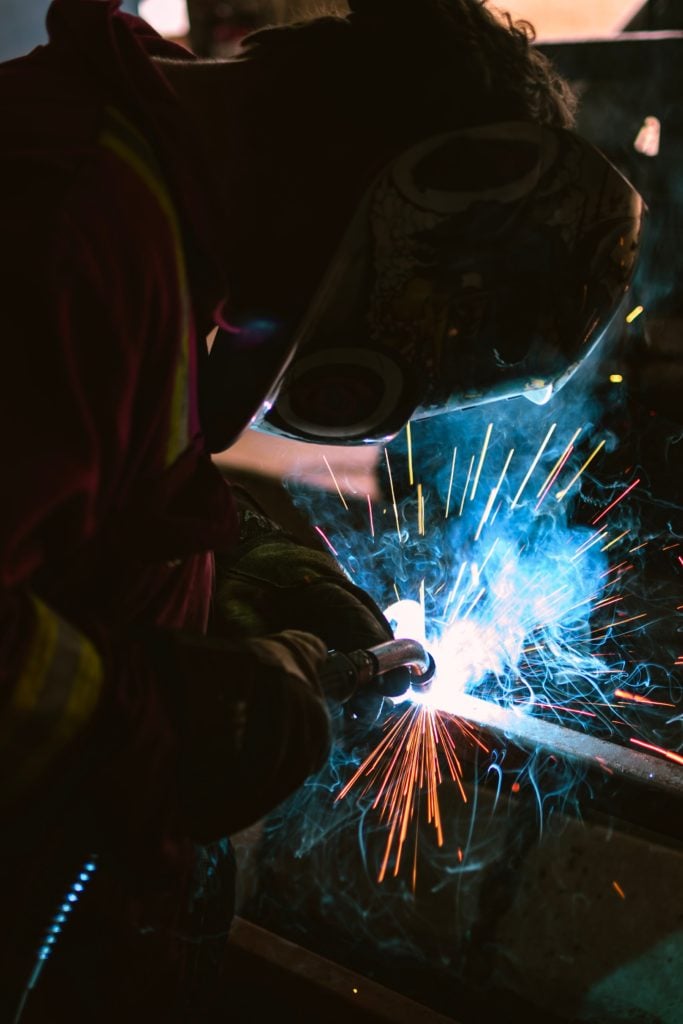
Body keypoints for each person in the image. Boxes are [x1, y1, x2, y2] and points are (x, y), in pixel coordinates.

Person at [0, 1, 642, 1020]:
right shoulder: (70, 225)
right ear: (384, 185)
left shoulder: (141, 213)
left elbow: (93, 494)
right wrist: (163, 720)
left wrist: (249, 568)